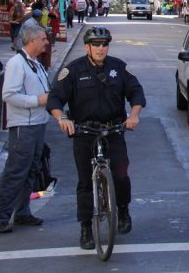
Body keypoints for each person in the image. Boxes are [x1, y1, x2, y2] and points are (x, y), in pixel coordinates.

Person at [47, 26, 146, 250]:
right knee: (84, 182)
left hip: (113, 130)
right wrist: (62, 118)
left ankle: (123, 211)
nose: (101, 48)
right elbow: (55, 99)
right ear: (87, 47)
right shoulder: (73, 70)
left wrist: (133, 115)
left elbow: (136, 92)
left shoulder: (118, 68)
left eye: (104, 44)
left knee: (121, 175)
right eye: (96, 44)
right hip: (84, 132)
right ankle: (85, 227)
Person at [0, 25, 51, 233]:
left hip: (37, 122)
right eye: (43, 39)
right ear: (31, 40)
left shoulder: (36, 63)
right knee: (17, 171)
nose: (46, 42)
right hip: (24, 125)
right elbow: (9, 95)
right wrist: (37, 100)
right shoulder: (17, 63)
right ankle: (1, 216)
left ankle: (23, 211)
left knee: (32, 169)